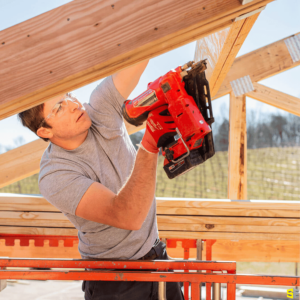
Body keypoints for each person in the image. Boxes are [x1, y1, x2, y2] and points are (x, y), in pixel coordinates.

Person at [18, 60, 184, 300]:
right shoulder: (55, 175)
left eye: (70, 96)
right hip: (113, 281)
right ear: (44, 131)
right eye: (59, 108)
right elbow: (128, 216)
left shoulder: (99, 108)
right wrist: (150, 143)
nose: (74, 104)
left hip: (157, 260)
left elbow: (143, 54)